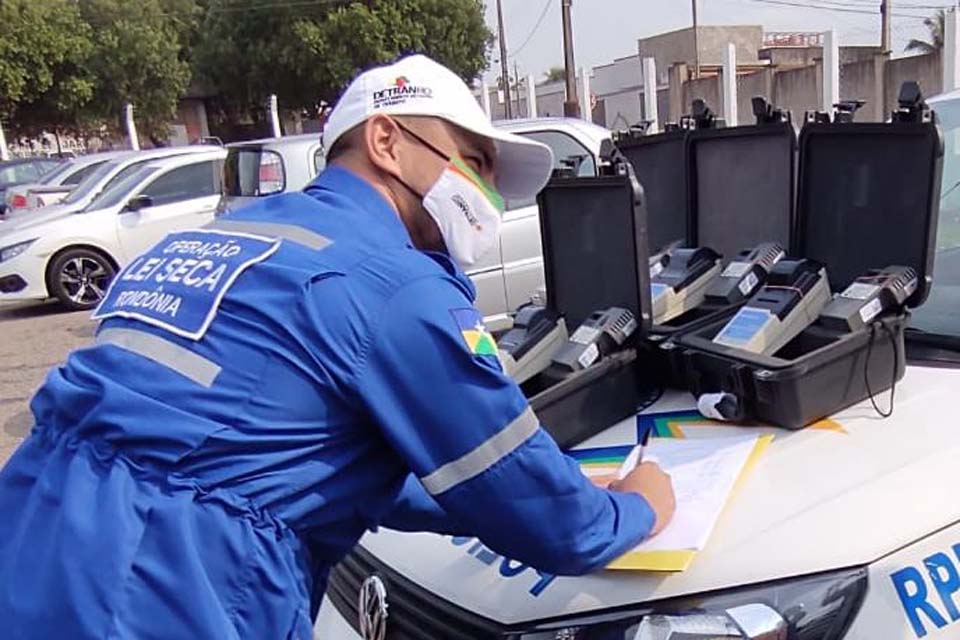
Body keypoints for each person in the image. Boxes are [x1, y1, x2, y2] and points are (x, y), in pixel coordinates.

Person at [0, 55, 675, 639]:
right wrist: (639, 503)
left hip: (30, 545)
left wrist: (493, 492)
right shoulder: (391, 283)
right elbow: (562, 532)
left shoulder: (214, 242)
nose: (486, 195)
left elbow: (295, 456)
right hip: (167, 587)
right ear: (386, 137)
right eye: (472, 162)